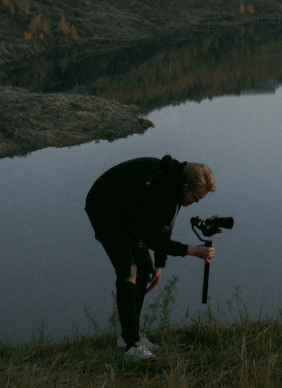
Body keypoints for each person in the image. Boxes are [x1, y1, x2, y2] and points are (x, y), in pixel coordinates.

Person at [83, 154, 215, 361]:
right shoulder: (161, 187)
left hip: (129, 212)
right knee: (129, 270)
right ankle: (132, 347)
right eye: (196, 198)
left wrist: (160, 264)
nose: (195, 203)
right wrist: (191, 250)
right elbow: (153, 239)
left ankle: (128, 335)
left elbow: (163, 226)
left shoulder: (175, 187)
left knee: (145, 267)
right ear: (185, 185)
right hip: (104, 209)